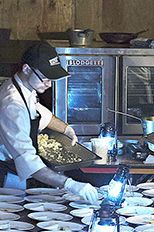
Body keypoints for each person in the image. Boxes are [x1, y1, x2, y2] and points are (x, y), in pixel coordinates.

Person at [0, 42, 98, 203]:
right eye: (45, 78)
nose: (49, 84)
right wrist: (70, 184)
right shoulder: (12, 106)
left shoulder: (24, 87)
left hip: (18, 174)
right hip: (8, 179)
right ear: (26, 68)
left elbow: (40, 112)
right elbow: (28, 162)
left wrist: (66, 129)